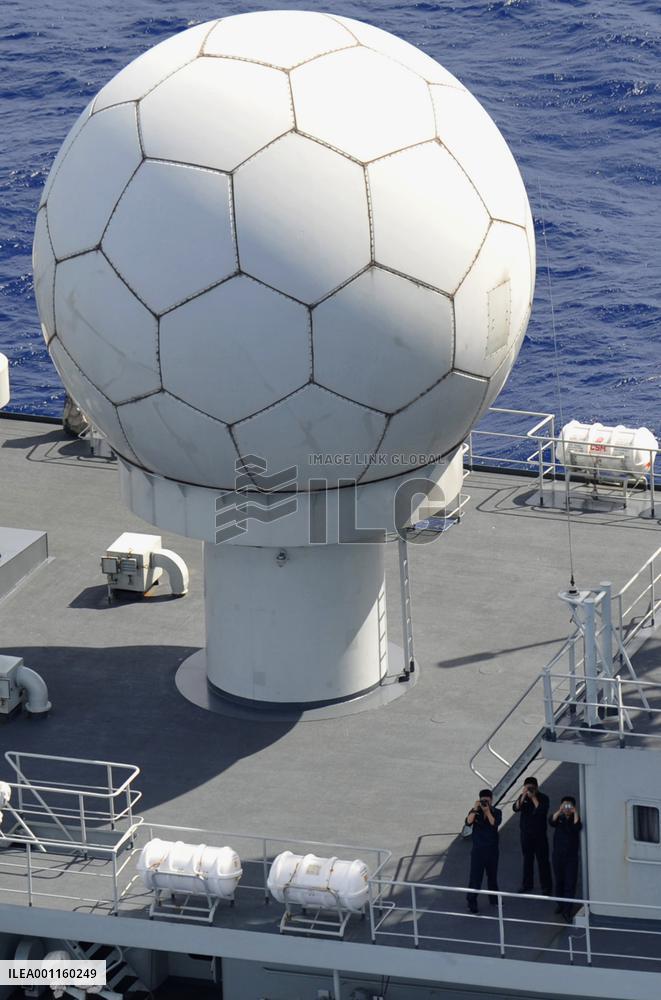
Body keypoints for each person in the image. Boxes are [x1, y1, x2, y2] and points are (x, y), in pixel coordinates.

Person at [512, 775, 552, 894]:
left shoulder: (544, 798)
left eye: (532, 788)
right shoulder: (522, 797)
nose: (530, 790)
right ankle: (527, 884)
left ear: (536, 787)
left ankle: (546, 886)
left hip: (540, 835)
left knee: (543, 861)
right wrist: (523, 795)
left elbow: (541, 811)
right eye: (527, 788)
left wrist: (533, 797)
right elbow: (515, 808)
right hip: (526, 835)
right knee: (527, 860)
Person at [465, 789, 502, 913]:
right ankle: (471, 902)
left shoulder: (496, 812)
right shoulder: (475, 812)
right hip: (478, 851)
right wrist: (475, 809)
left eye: (488, 800)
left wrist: (488, 811)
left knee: (492, 877)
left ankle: (494, 900)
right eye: (483, 800)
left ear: (492, 800)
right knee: (475, 878)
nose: (486, 802)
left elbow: (495, 823)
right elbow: (468, 822)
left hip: (492, 851)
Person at [549, 795, 583, 921]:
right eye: (565, 805)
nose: (567, 808)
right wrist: (560, 811)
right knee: (559, 882)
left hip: (571, 858)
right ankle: (560, 904)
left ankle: (567, 909)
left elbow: (577, 827)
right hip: (558, 856)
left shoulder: (575, 819)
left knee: (570, 883)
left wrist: (574, 813)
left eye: (569, 806)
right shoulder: (559, 818)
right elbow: (551, 821)